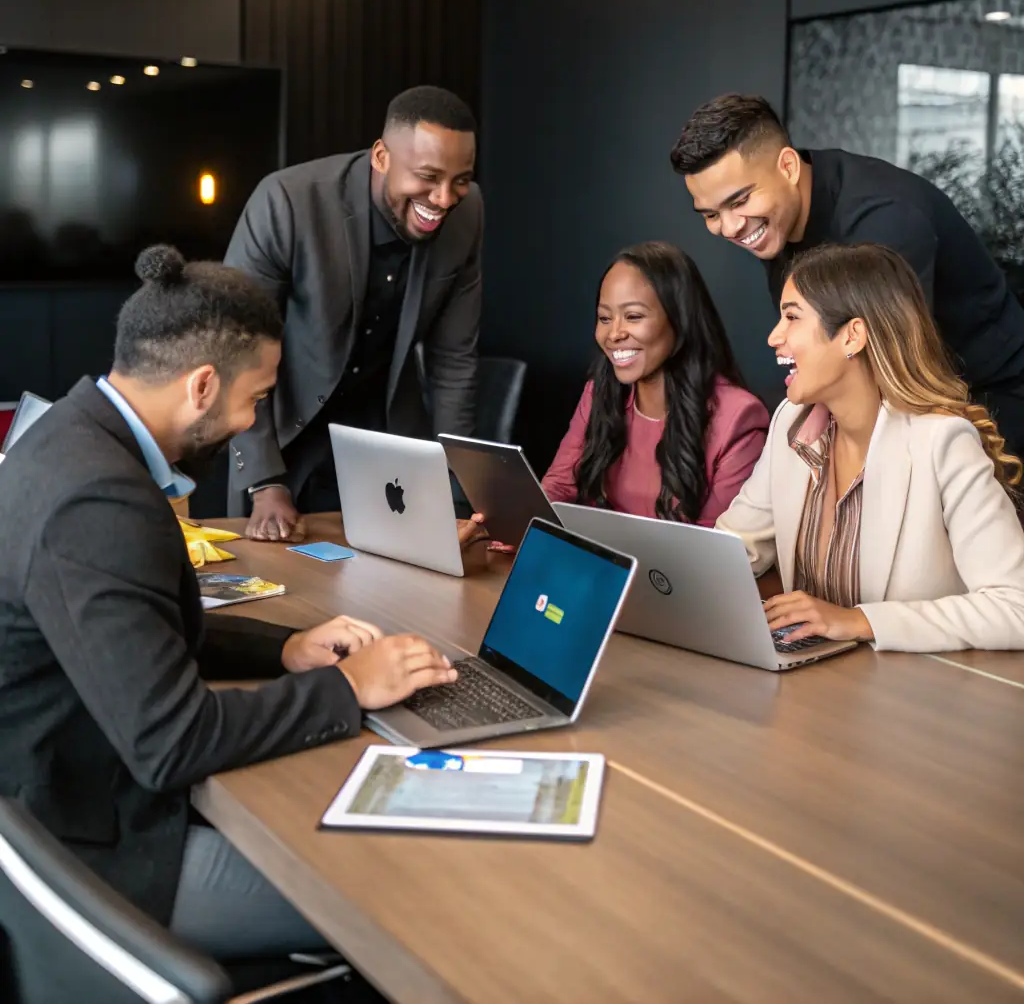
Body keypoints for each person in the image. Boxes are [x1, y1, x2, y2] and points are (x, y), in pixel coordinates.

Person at [0, 245, 458, 960]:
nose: (251, 422)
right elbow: (172, 741)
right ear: (204, 385)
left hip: (61, 792)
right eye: (257, 398)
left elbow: (132, 628)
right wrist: (347, 686)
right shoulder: (99, 501)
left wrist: (284, 650)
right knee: (402, 893)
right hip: (89, 847)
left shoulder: (66, 436)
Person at [671, 93, 1024, 456]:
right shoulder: (773, 221)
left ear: (788, 167)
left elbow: (893, 372)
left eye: (740, 201)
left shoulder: (886, 217)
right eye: (710, 214)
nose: (730, 227)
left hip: (993, 395)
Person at [717, 242, 1024, 652]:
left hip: (912, 685)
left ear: (852, 336)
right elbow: (732, 549)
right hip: (811, 677)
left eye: (792, 317)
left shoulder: (943, 443)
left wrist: (859, 621)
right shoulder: (790, 423)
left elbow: (1015, 607)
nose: (775, 336)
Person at [225, 85, 482, 540]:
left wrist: (459, 490)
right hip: (286, 440)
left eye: (460, 179)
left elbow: (454, 362)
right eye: (428, 176)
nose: (445, 198)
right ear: (381, 157)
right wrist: (264, 481)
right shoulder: (287, 201)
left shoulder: (468, 213)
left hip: (388, 447)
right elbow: (234, 345)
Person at [542, 242, 769, 526]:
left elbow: (716, 541)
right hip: (597, 553)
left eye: (633, 316)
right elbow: (559, 486)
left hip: (680, 558)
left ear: (680, 319)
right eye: (604, 318)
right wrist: (521, 514)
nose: (614, 334)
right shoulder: (599, 392)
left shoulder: (738, 418)